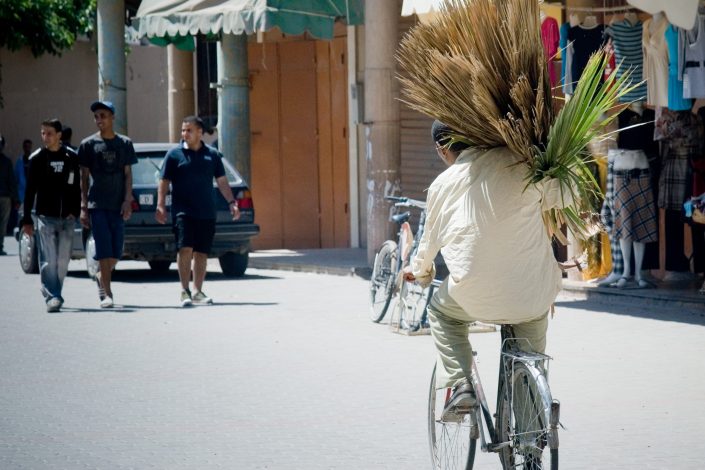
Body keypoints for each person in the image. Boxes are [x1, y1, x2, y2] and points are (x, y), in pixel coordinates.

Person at [403, 121, 573, 419]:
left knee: (441, 313)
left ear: (442, 150)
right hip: (532, 296)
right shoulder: (523, 165)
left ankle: (460, 383)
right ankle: (531, 429)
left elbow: (427, 248)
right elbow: (567, 193)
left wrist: (421, 273)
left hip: (474, 297)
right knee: (530, 353)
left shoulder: (443, 185)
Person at [155, 116, 240, 307]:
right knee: (184, 248)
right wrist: (160, 205)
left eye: (189, 130)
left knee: (201, 252)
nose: (185, 134)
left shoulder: (212, 155)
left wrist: (232, 202)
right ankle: (184, 291)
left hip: (207, 211)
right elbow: (164, 181)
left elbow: (222, 181)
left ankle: (197, 291)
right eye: (183, 130)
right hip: (183, 211)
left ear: (200, 132)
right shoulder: (174, 154)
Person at [78, 101, 137, 308]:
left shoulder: (124, 144)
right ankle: (107, 294)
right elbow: (83, 178)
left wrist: (127, 200)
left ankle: (100, 277)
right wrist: (84, 206)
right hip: (97, 204)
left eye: (103, 115)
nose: (99, 120)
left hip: (118, 204)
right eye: (96, 116)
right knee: (103, 249)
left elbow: (128, 175)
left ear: (112, 117)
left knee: (116, 251)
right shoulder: (87, 145)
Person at [21, 119, 81, 313]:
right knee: (49, 258)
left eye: (49, 133)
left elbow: (76, 186)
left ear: (59, 135)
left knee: (63, 260)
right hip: (45, 217)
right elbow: (30, 191)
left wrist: (76, 211)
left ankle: (55, 291)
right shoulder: (37, 159)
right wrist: (27, 219)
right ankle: (52, 295)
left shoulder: (71, 157)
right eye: (43, 133)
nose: (45, 137)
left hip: (68, 218)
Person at [0, 134, 19, 254]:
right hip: (4, 196)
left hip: (5, 196)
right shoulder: (6, 162)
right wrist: (15, 198)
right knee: (2, 223)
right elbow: (12, 181)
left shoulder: (7, 162)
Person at [14, 139, 32, 209]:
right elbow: (15, 180)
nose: (27, 149)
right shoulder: (19, 162)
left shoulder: (35, 161)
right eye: (26, 147)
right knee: (20, 218)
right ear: (23, 148)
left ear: (31, 147)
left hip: (31, 196)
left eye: (29, 147)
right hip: (20, 197)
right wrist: (16, 198)